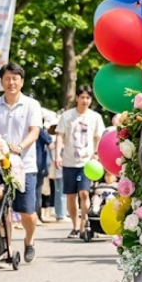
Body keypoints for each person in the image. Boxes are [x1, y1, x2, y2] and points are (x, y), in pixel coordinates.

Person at [0, 62, 44, 262]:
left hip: (25, 166)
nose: (11, 83)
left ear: (22, 82)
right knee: (1, 209)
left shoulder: (32, 105)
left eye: (15, 78)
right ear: (1, 82)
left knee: (27, 212)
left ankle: (29, 240)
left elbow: (35, 131)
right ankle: (7, 247)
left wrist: (21, 146)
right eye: (7, 79)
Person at [55, 85, 105, 238]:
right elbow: (60, 136)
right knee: (71, 195)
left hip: (87, 164)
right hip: (69, 162)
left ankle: (85, 223)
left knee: (84, 193)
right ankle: (75, 225)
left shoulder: (95, 117)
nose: (85, 100)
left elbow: (100, 137)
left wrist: (97, 154)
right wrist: (58, 155)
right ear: (76, 98)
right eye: (82, 97)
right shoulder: (67, 116)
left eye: (88, 98)